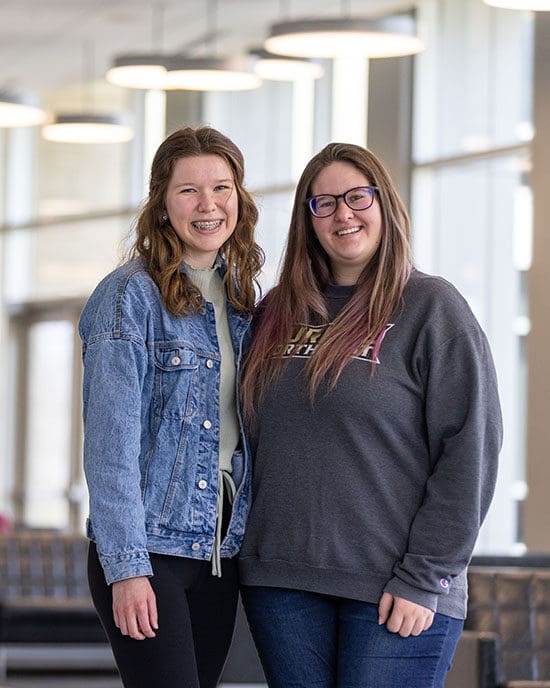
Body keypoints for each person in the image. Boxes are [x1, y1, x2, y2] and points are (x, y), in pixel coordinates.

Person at [238, 142, 502, 688]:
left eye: (357, 196)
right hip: (282, 583)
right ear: (306, 220)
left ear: (385, 204)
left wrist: (424, 578)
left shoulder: (431, 307)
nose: (343, 214)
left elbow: (470, 451)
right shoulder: (274, 314)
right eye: (325, 202)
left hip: (394, 588)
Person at [80, 125, 263, 688]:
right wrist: (129, 568)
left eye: (222, 188)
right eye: (188, 191)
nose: (208, 205)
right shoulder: (129, 296)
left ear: (240, 199)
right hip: (150, 549)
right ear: (161, 204)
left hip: (220, 551)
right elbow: (111, 450)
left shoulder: (244, 302)